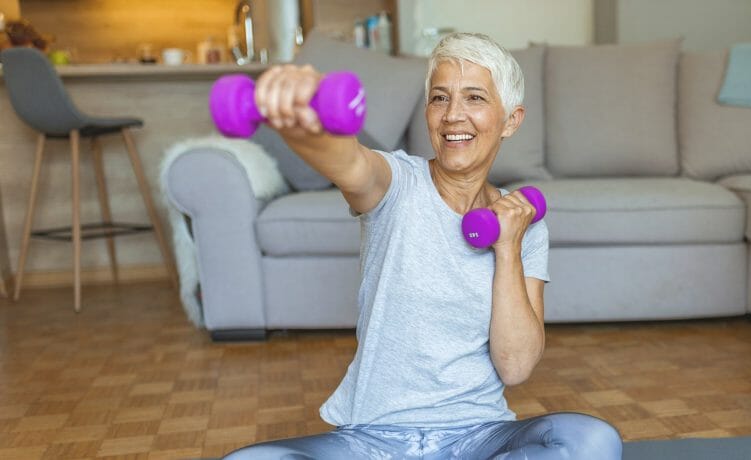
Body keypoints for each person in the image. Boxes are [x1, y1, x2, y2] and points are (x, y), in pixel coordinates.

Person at [224, 32, 622, 459]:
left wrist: (507, 247)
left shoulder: (522, 224)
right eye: (439, 98)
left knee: (592, 441)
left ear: (510, 120)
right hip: (371, 441)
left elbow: (517, 366)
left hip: (478, 438)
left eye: (474, 98)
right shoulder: (396, 184)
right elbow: (349, 161)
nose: (453, 115)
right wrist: (297, 115)